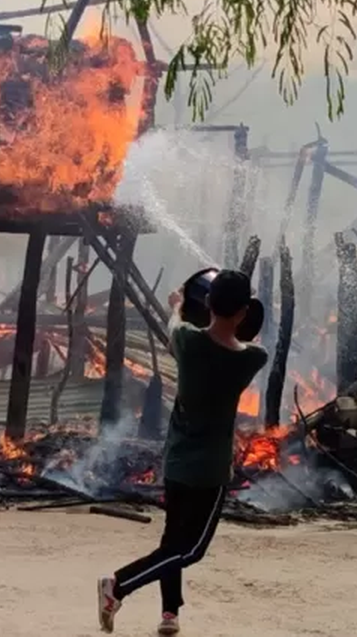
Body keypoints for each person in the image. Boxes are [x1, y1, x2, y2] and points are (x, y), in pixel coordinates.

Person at [96, 269, 268, 635]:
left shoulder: (188, 341)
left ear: (206, 303)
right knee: (191, 550)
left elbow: (176, 324)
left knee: (172, 538)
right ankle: (118, 585)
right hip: (210, 470)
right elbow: (249, 338)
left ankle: (170, 612)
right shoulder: (252, 359)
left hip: (177, 460)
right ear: (242, 312)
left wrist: (176, 304)